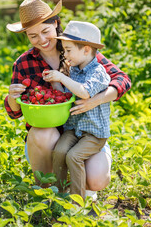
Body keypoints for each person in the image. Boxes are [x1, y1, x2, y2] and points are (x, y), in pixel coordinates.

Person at [4, 0, 131, 199]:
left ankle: (78, 181)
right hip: (46, 143)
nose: (42, 40)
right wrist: (12, 97)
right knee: (44, 135)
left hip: (85, 132)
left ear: (55, 23)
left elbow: (122, 79)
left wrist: (95, 99)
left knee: (97, 180)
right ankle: (49, 187)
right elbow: (13, 112)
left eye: (45, 31)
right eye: (33, 36)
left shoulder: (77, 47)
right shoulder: (25, 63)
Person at [43, 20, 110, 198]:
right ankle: (58, 194)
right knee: (59, 151)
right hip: (74, 129)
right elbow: (67, 95)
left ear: (86, 49)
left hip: (94, 134)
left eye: (69, 50)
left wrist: (61, 77)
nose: (65, 54)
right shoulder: (73, 71)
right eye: (64, 50)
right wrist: (55, 80)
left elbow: (85, 92)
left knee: (74, 156)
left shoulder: (98, 72)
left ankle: (77, 202)